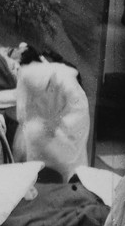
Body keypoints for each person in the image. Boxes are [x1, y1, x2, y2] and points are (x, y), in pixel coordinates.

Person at [13, 51, 91, 180]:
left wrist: (57, 124)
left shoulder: (67, 82)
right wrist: (25, 130)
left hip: (64, 131)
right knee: (30, 139)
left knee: (66, 169)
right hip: (41, 129)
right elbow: (23, 111)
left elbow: (79, 114)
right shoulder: (25, 77)